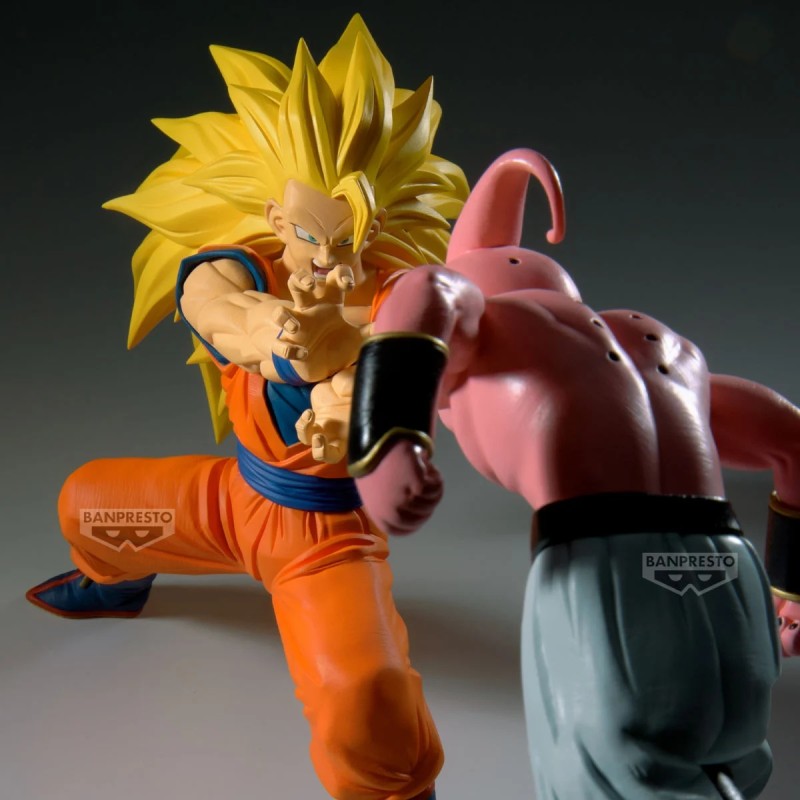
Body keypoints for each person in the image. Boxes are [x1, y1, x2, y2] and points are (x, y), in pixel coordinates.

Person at [26, 15, 467, 800]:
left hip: (326, 538)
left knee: (366, 702)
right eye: (311, 235)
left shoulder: (404, 300)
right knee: (87, 507)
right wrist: (281, 336)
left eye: (351, 242)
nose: (330, 262)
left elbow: (410, 364)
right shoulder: (243, 266)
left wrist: (353, 397)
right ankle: (115, 584)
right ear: (273, 219)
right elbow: (216, 308)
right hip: (234, 503)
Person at [349, 148, 800, 799]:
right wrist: (791, 589)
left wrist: (385, 439)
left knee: (616, 778)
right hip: (726, 569)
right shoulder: (662, 349)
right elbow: (791, 440)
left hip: (608, 562)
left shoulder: (491, 322)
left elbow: (425, 290)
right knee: (730, 761)